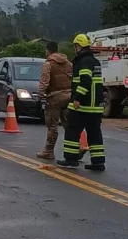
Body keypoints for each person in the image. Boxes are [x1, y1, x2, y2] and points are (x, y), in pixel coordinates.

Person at [57, 33, 106, 171]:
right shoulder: (95, 61)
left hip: (83, 106)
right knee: (94, 133)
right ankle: (98, 162)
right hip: (95, 107)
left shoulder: (84, 62)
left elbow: (85, 81)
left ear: (78, 46)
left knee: (72, 130)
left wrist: (77, 98)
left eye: (76, 46)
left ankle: (71, 159)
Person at [35, 41, 73, 159]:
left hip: (54, 98)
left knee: (52, 125)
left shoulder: (48, 64)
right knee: (69, 125)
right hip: (69, 96)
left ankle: (48, 151)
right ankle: (77, 148)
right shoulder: (69, 63)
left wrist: (39, 96)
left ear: (48, 50)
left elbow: (44, 82)